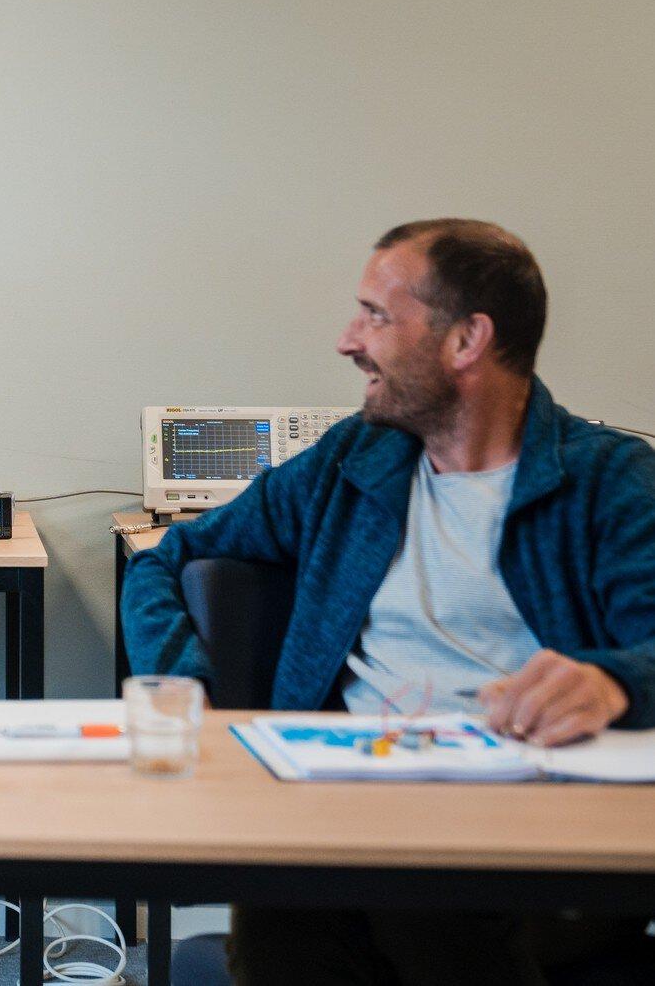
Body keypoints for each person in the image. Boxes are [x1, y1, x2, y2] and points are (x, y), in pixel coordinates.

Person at [122, 218, 655, 985]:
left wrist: (612, 681)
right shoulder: (352, 462)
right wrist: (189, 691)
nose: (348, 338)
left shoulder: (607, 480)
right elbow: (170, 558)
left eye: (376, 314)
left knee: (415, 889)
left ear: (467, 339)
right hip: (358, 798)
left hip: (539, 833)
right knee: (288, 896)